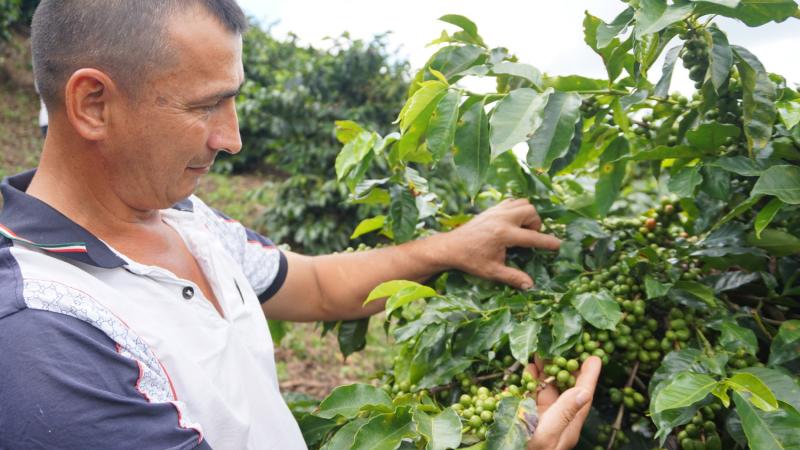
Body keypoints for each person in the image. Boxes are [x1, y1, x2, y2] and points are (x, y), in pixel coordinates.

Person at [0, 1, 600, 449]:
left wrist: (456, 247)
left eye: (232, 101)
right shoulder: (44, 335)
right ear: (93, 105)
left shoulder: (187, 221)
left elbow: (313, 285)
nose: (230, 139)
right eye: (205, 104)